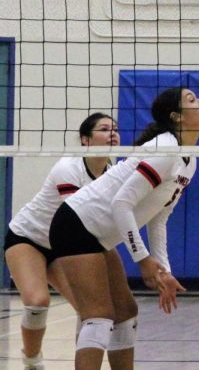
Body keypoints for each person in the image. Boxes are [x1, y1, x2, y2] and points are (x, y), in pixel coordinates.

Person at [48, 86, 199, 370]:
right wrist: (143, 260)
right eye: (192, 100)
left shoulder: (188, 160)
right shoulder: (166, 150)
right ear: (177, 117)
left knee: (125, 312)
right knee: (98, 314)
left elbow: (160, 217)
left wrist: (164, 270)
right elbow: (121, 203)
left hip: (98, 234)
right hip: (76, 224)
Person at [5, 113, 117, 370]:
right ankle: (32, 361)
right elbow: (80, 219)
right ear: (85, 140)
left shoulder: (113, 173)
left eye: (115, 129)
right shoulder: (68, 168)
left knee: (90, 310)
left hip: (64, 247)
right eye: (104, 129)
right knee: (37, 301)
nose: (113, 133)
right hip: (29, 238)